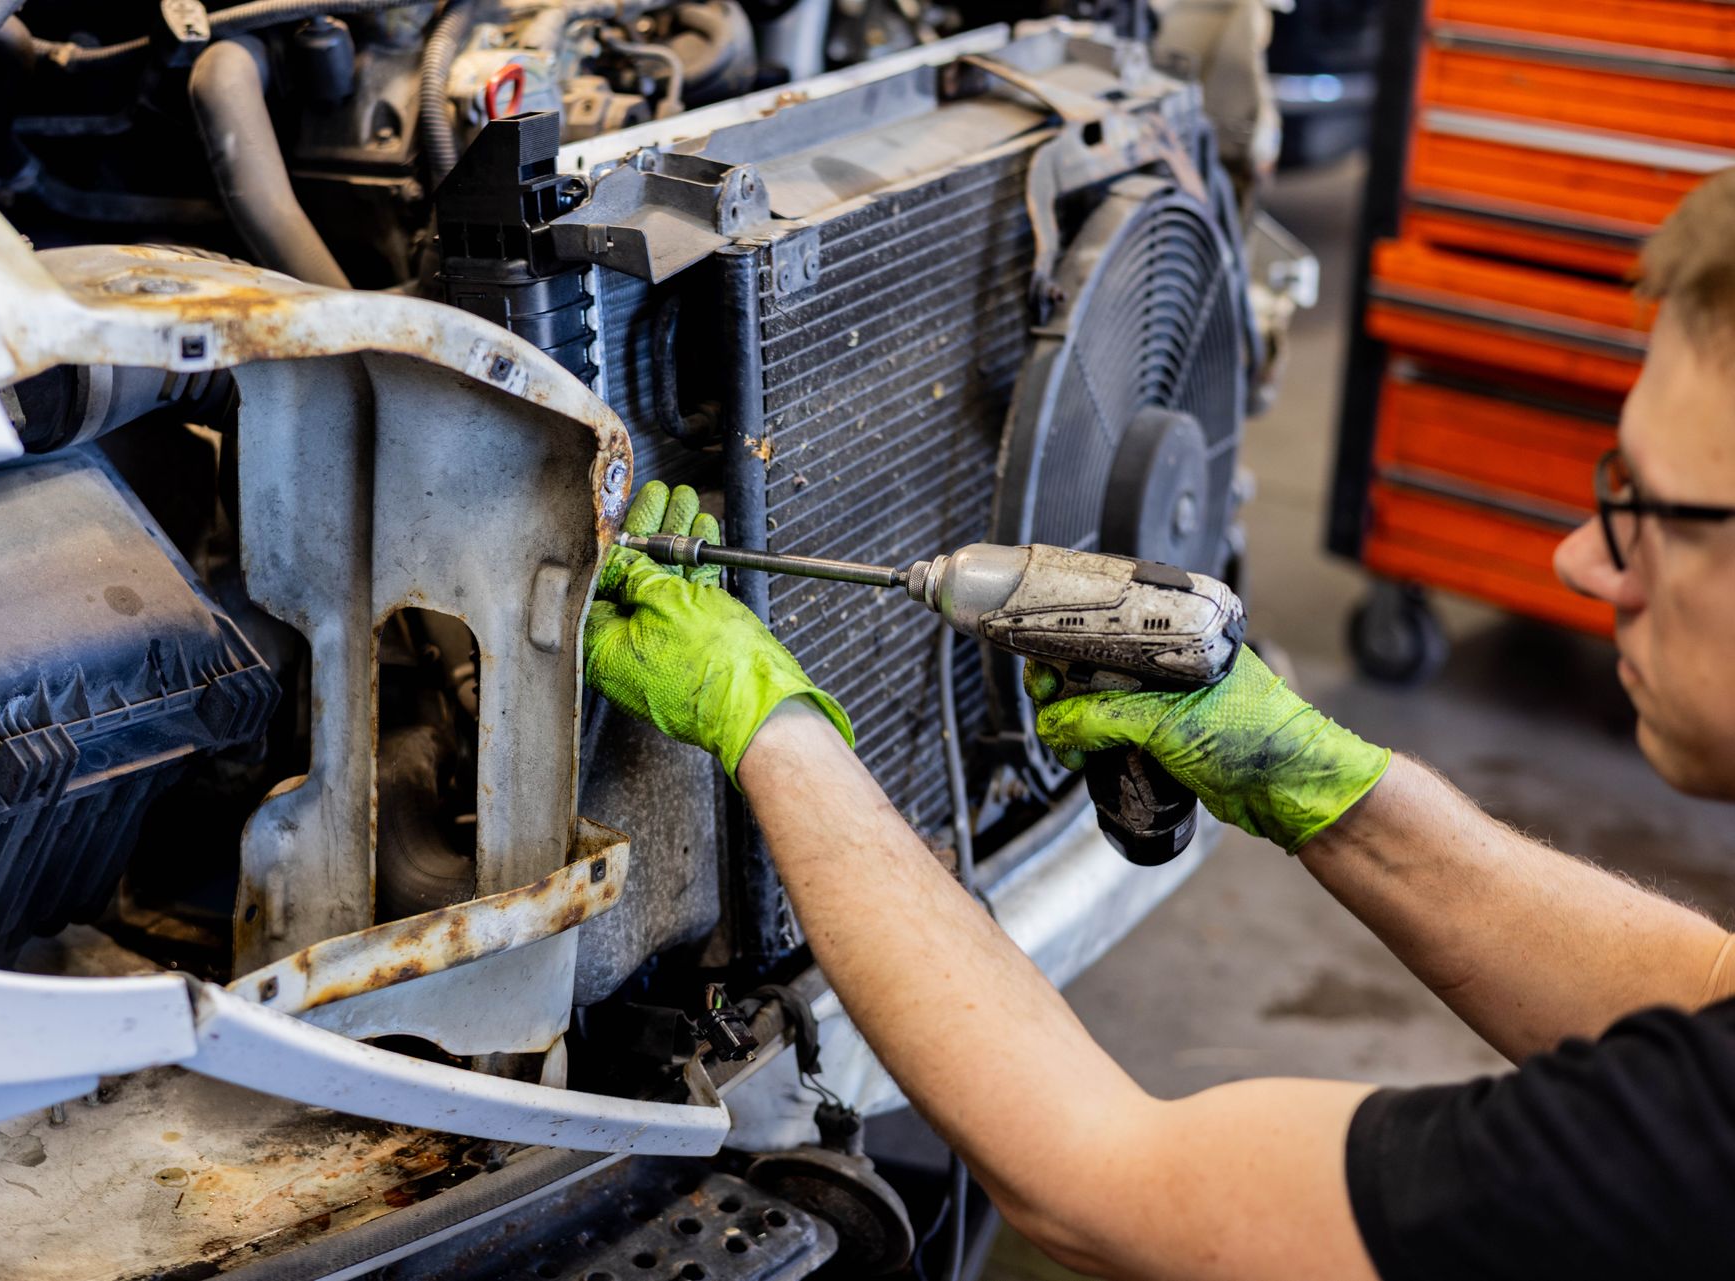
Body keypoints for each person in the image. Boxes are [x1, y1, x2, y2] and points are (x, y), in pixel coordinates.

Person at [581, 171, 1735, 1280]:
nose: (1584, 560)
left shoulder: (1678, 1152)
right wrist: (1320, 778)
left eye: (1646, 511)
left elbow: (1101, 1181)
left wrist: (771, 723)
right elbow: (1706, 982)